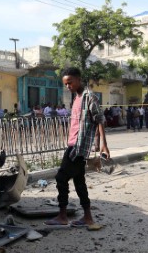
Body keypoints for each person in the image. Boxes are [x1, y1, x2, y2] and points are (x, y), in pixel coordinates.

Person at [45, 67, 109, 230]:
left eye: (70, 83)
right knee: (79, 181)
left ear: (78, 79)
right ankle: (87, 217)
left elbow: (100, 119)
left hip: (78, 147)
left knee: (61, 178)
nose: (68, 86)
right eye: (65, 84)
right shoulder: (77, 97)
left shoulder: (89, 97)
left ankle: (63, 216)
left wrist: (104, 144)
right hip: (74, 143)